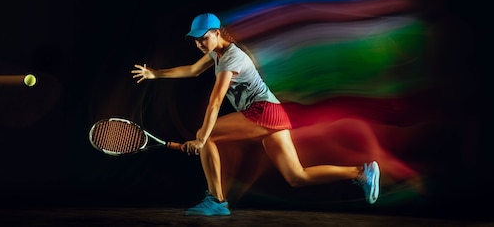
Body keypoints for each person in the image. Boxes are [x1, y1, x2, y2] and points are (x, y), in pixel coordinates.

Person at [131, 13, 380, 216]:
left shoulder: (231, 58)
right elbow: (193, 70)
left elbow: (215, 102)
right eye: (195, 40)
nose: (199, 44)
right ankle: (361, 172)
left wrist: (202, 139)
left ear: (217, 33)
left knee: (206, 134)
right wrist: (156, 74)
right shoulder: (216, 53)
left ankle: (217, 201)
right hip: (274, 112)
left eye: (203, 38)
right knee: (297, 176)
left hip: (264, 111)